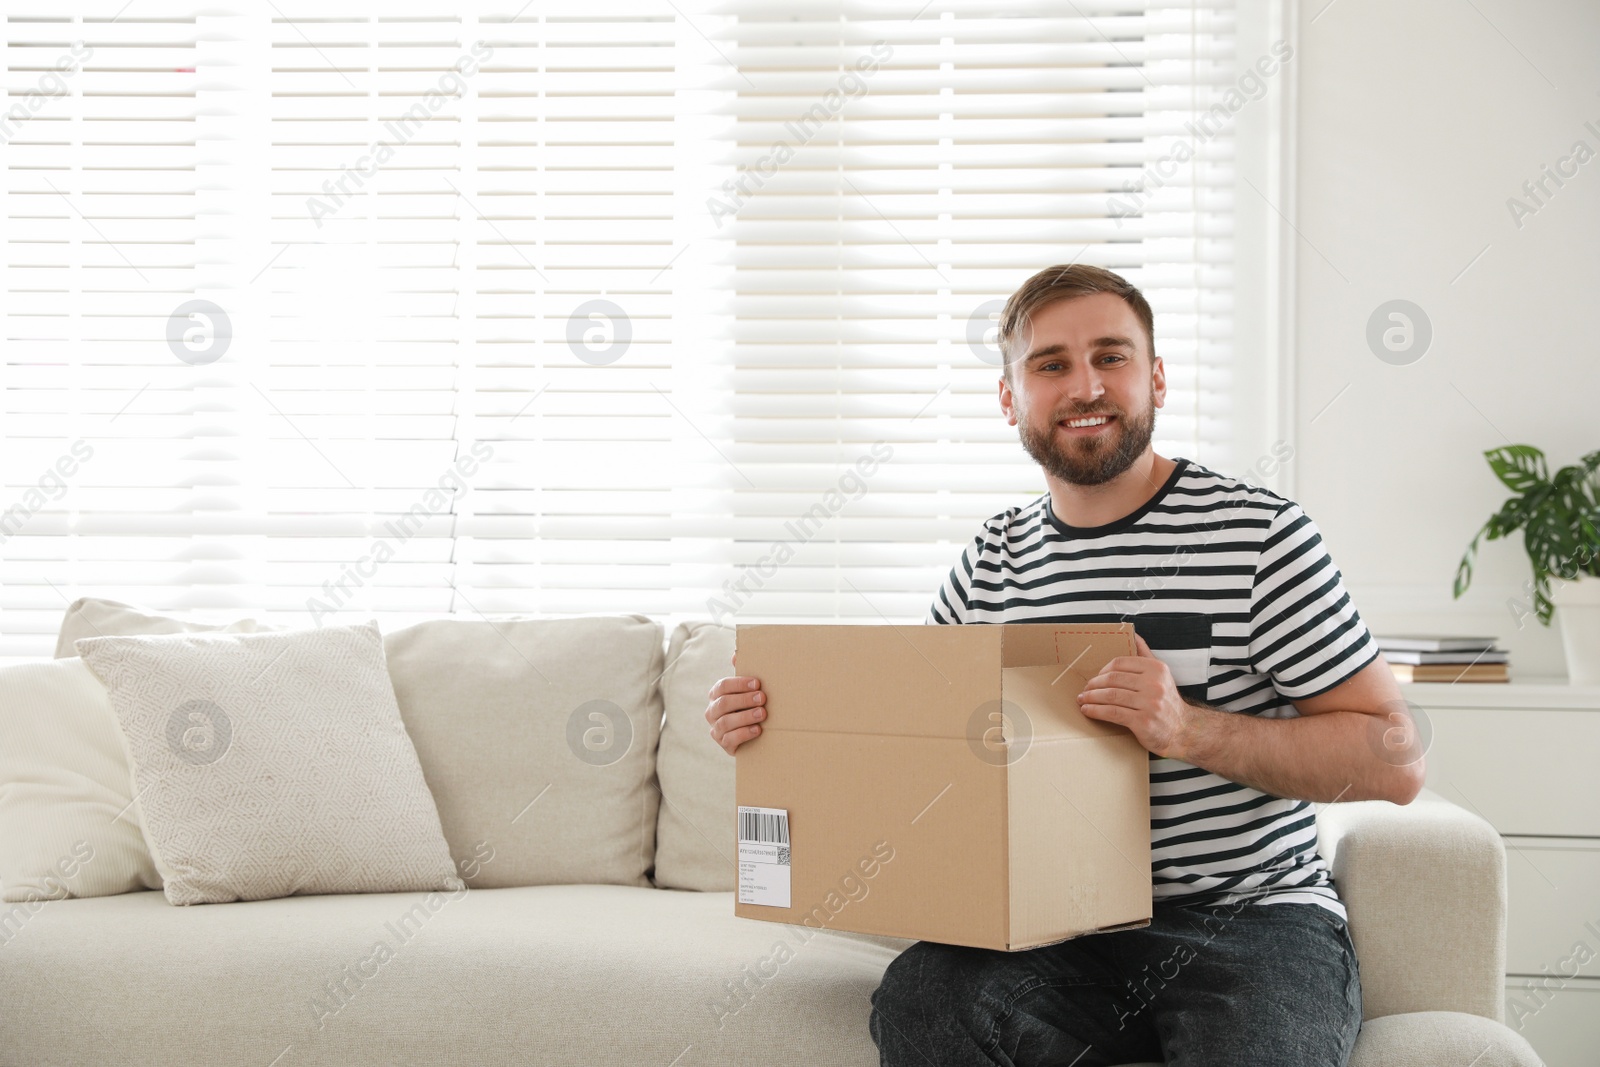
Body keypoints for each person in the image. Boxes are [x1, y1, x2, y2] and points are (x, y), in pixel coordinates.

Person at [703, 264, 1424, 1067]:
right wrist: (780, 731)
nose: (1086, 385)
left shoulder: (1261, 536)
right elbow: (917, 755)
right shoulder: (990, 562)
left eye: (1111, 357)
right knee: (923, 1001)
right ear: (1011, 398)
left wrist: (1189, 727)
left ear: (1155, 379)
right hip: (1052, 929)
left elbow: (1395, 761)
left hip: (1247, 921)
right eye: (1051, 364)